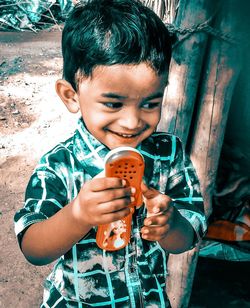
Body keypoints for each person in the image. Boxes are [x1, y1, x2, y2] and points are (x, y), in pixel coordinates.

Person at [14, 0, 207, 307]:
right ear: (71, 96)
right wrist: (78, 215)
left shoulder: (169, 155)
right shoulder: (61, 165)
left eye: (150, 103)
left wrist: (171, 225)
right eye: (113, 104)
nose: (132, 123)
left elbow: (190, 235)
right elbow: (34, 248)